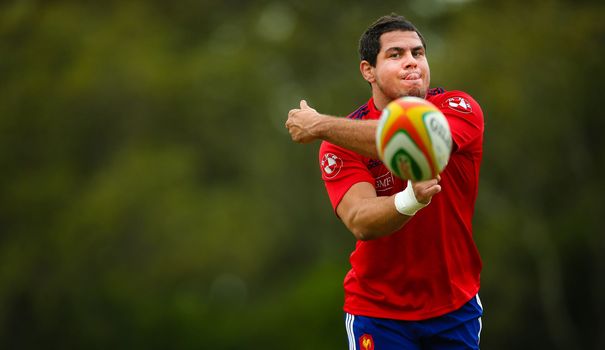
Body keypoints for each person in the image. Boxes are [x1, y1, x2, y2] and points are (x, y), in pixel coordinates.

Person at [285, 14, 485, 350]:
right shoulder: (339, 142)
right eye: (395, 55)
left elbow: (420, 139)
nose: (412, 63)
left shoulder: (456, 107)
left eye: (418, 53)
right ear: (368, 71)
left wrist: (320, 124)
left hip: (455, 304)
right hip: (378, 312)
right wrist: (411, 200)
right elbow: (360, 220)